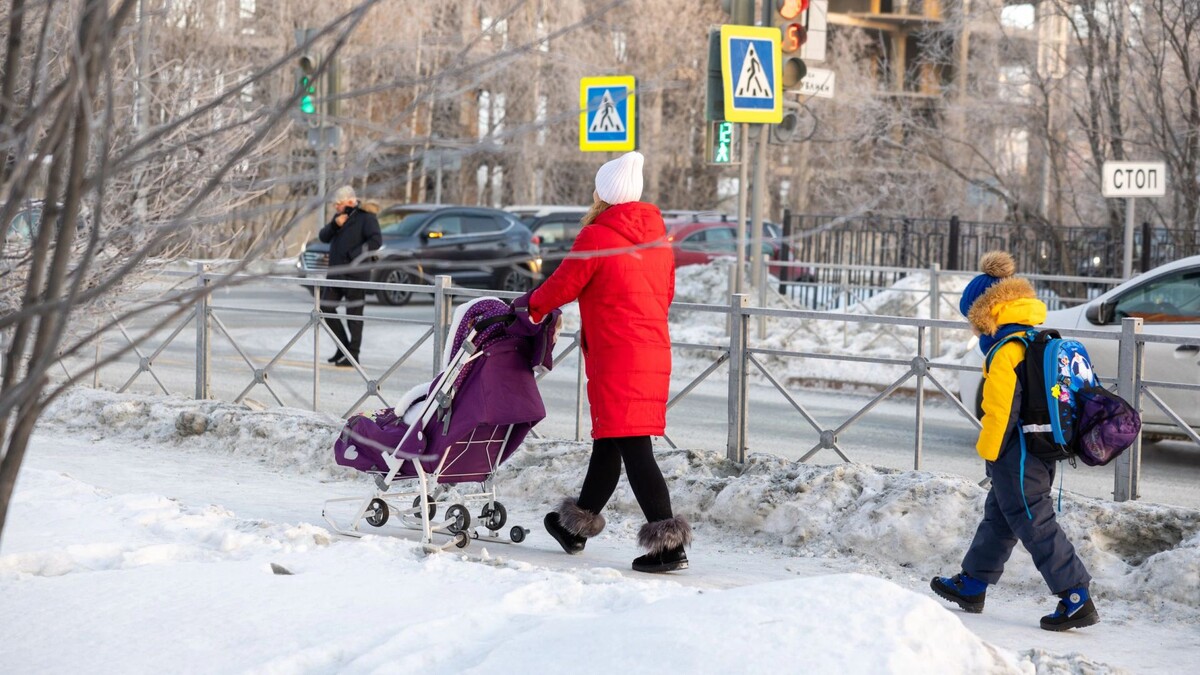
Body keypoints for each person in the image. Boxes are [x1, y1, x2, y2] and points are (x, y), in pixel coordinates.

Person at [513, 151, 690, 574]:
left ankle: (668, 548)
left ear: (605, 194)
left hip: (617, 353)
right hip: (650, 349)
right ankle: (571, 526)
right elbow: (664, 297)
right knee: (611, 440)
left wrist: (527, 308)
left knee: (633, 445)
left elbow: (563, 284)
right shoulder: (658, 242)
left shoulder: (597, 236)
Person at [931, 251, 1098, 631]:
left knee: (1034, 522)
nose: (973, 331)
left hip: (1016, 455)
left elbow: (1000, 411)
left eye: (972, 321)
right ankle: (972, 584)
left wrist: (988, 452)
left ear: (986, 313)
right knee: (1001, 517)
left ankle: (1076, 595)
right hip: (1038, 449)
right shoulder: (1035, 337)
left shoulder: (1006, 350)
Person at [319, 186, 381, 367]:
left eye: (338, 204)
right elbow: (323, 237)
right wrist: (334, 225)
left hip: (356, 274)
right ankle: (342, 347)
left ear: (350, 201)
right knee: (325, 308)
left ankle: (353, 354)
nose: (336, 207)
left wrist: (354, 255)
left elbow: (376, 241)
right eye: (335, 204)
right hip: (336, 274)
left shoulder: (366, 217)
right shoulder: (339, 218)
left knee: (354, 315)